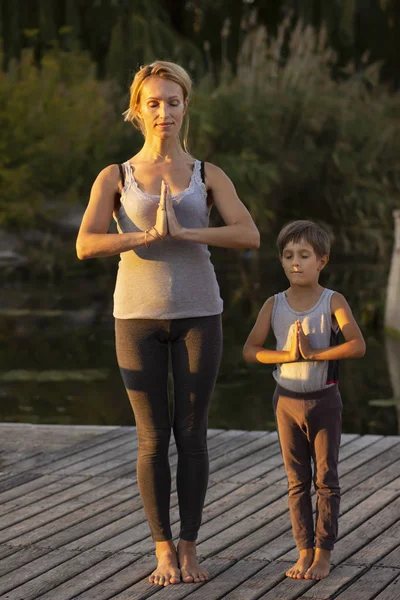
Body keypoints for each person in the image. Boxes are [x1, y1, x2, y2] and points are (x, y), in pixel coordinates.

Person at [76, 60, 260, 587]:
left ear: (185, 108)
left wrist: (186, 232)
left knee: (193, 434)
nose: (164, 112)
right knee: (153, 438)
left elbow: (248, 234)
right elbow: (86, 244)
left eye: (173, 102)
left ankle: (189, 547)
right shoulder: (116, 176)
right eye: (154, 103)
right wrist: (142, 237)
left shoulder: (208, 174)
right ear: (138, 110)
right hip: (134, 317)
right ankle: (162, 551)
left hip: (200, 314)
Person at [242, 220, 365, 581]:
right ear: (281, 261)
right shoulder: (273, 304)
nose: (296, 262)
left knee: (326, 479)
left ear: (321, 261)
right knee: (297, 481)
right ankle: (304, 551)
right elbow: (251, 351)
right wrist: (288, 356)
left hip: (324, 402)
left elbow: (357, 345)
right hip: (287, 403)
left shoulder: (333, 301)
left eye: (304, 255)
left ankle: (324, 553)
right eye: (288, 256)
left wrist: (314, 354)